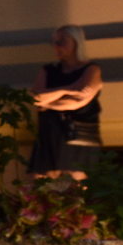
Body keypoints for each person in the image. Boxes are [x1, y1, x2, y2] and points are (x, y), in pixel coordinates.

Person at [28, 24, 104, 180]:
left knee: (74, 183)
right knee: (42, 181)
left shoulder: (91, 69)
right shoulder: (48, 70)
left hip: (77, 133)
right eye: (54, 42)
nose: (56, 46)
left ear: (76, 42)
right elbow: (35, 97)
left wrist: (46, 103)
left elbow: (79, 100)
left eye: (62, 41)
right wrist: (66, 90)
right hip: (49, 132)